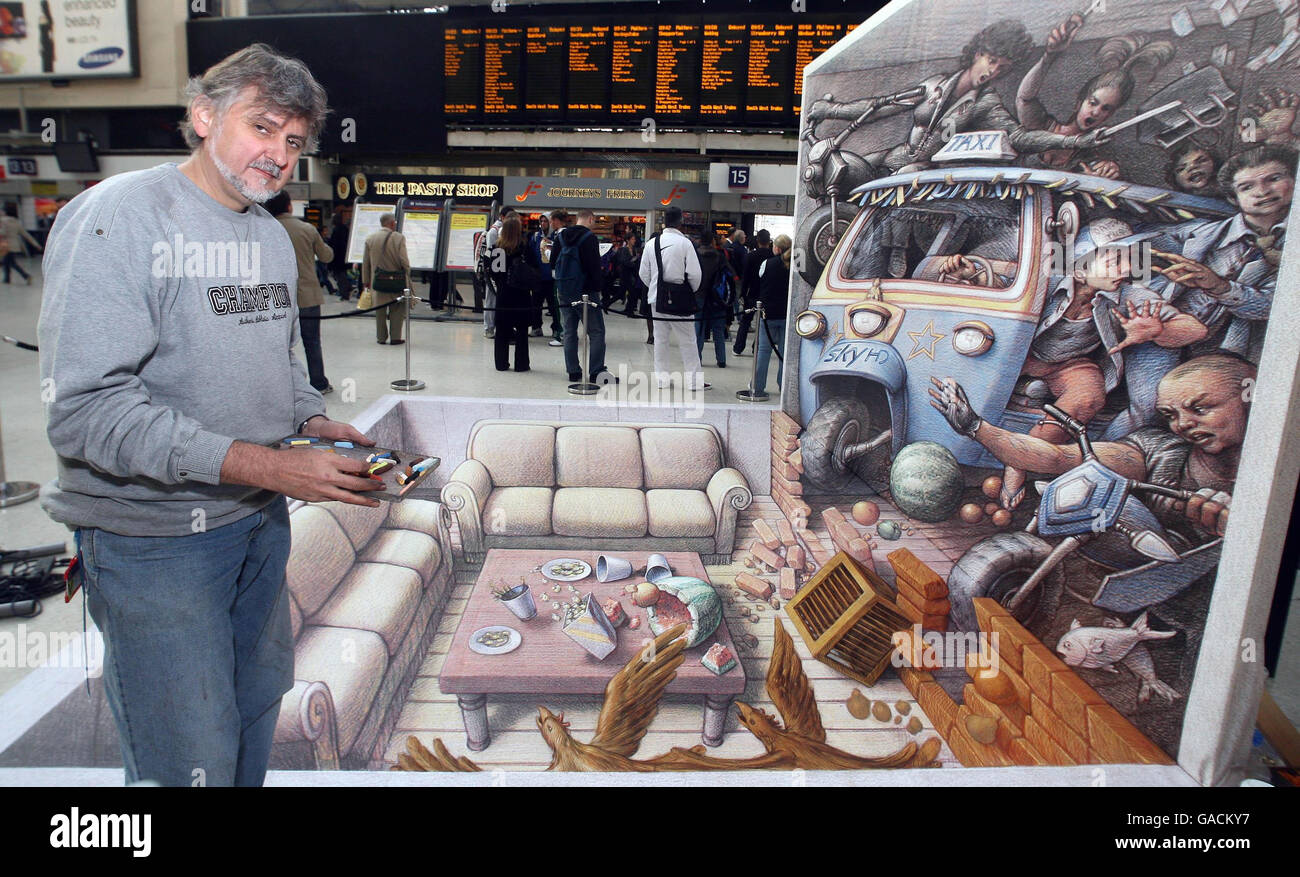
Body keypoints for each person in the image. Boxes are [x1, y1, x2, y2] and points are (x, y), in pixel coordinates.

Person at [37, 43, 380, 787]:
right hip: (156, 543)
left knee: (256, 710)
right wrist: (267, 464)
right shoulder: (119, 219)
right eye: (263, 128)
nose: (278, 155)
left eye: (293, 142)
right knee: (187, 751)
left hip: (257, 523)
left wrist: (310, 422)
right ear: (203, 114)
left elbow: (278, 364)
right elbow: (87, 412)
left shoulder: (264, 233)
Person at [928, 353, 1252, 543]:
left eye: (1200, 408)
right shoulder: (1158, 451)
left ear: (1250, 394)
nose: (1182, 424)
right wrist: (976, 427)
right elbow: (1058, 457)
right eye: (1171, 415)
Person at [997, 219, 1208, 509]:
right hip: (1021, 356)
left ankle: (1019, 462)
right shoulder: (1046, 279)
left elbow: (1196, 330)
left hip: (1071, 365)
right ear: (1081, 269)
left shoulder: (1128, 296)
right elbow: (998, 274)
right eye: (1113, 262)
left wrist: (1157, 330)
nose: (1124, 270)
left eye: (1129, 260)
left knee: (1088, 398)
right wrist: (971, 270)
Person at [1106, 144, 1294, 437]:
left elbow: (1273, 306)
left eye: (1273, 179)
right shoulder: (1203, 233)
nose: (1262, 192)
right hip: (1161, 332)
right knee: (1148, 410)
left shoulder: (1291, 250)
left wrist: (1218, 285)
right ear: (1234, 197)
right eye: (1247, 186)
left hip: (1222, 351)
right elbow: (1137, 246)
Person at [804, 19, 1110, 176]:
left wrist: (1070, 142)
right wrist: (830, 109)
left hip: (926, 173)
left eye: (1002, 68)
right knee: (845, 175)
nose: (994, 71)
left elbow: (1019, 137)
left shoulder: (986, 102)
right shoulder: (934, 84)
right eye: (991, 61)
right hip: (898, 157)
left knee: (903, 177)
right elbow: (879, 106)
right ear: (978, 53)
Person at [1016, 15, 1173, 178]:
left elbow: (1096, 173)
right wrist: (1048, 57)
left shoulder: (1089, 155)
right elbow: (1024, 98)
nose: (1096, 112)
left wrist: (1107, 171)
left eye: (1105, 108)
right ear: (1079, 103)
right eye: (1093, 103)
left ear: (1109, 116)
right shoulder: (1042, 124)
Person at [267, 190, 334, 394]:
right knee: (312, 341)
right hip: (306, 295)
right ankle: (319, 382)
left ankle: (279, 386)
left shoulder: (265, 228)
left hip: (274, 297)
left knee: (277, 346)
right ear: (289, 206)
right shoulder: (307, 229)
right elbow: (326, 256)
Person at [640, 205, 706, 391]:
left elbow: (643, 272)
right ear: (680, 222)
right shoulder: (685, 243)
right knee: (688, 341)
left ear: (663, 221)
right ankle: (693, 382)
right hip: (681, 299)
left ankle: (662, 379)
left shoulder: (652, 243)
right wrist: (687, 291)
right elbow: (695, 274)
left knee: (660, 340)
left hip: (657, 299)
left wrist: (655, 286)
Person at [553, 208, 608, 382]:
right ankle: (596, 371)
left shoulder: (560, 237)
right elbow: (593, 268)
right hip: (586, 293)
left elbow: (553, 263)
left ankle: (573, 371)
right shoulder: (589, 238)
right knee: (596, 331)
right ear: (590, 219)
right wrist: (598, 290)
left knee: (569, 331)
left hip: (564, 291)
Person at [488, 214, 540, 372]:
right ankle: (522, 364)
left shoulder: (498, 248)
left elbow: (494, 273)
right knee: (522, 331)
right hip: (522, 293)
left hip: (504, 293)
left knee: (502, 331)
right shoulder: (524, 247)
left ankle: (501, 363)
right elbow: (534, 269)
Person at [362, 212, 411, 345]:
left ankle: (381, 337)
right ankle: (395, 337)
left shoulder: (370, 239)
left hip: (377, 281)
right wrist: (408, 272)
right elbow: (404, 260)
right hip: (396, 280)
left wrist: (366, 281)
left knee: (380, 311)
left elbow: (366, 263)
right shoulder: (399, 238)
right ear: (391, 223)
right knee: (397, 309)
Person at [754, 234, 792, 396]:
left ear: (775, 248)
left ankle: (758, 385)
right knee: (784, 352)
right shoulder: (795, 266)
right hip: (786, 314)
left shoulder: (766, 264)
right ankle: (782, 385)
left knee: (763, 351)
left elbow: (760, 281)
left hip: (767, 313)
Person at [733, 229, 772, 355]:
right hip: (766, 294)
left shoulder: (750, 256)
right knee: (762, 323)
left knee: (745, 321)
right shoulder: (772, 257)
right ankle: (757, 347)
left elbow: (746, 277)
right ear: (769, 241)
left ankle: (738, 347)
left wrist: (743, 293)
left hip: (752, 293)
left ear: (757, 240)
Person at [694, 231, 729, 368]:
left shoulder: (695, 255)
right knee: (718, 329)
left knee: (699, 328)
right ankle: (721, 359)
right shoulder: (720, 256)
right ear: (712, 241)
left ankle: (697, 358)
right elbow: (728, 274)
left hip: (699, 294)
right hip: (717, 296)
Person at [528, 212, 560, 343]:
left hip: (552, 277)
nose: (543, 224)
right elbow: (530, 253)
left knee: (553, 306)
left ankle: (556, 328)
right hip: (538, 277)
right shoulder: (536, 237)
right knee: (535, 304)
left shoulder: (556, 236)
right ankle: (536, 327)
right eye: (541, 221)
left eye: (545, 221)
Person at [1, 203, 42, 284]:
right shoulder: (16, 223)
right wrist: (36, 245)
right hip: (15, 246)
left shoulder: (2, 221)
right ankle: (7, 279)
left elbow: (3, 232)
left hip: (5, 245)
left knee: (11, 263)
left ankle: (26, 276)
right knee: (7, 262)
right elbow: (25, 235)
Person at [327, 211, 353, 300]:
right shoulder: (345, 229)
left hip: (337, 259)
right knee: (342, 275)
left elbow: (333, 245)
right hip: (344, 257)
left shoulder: (336, 230)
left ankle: (344, 293)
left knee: (340, 277)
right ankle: (347, 288)